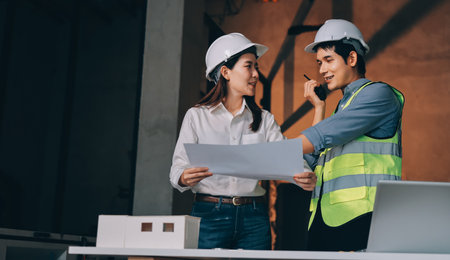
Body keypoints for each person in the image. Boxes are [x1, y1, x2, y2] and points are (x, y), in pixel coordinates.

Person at [170, 33, 317, 250]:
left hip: (254, 217)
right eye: (249, 66)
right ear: (226, 72)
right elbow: (177, 169)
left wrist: (303, 175)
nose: (256, 74)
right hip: (210, 215)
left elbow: (290, 159)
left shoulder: (264, 120)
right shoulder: (196, 116)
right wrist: (183, 177)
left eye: (256, 67)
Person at [292, 19, 405, 251]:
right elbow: (312, 158)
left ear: (352, 59)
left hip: (362, 219)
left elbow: (319, 137)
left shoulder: (378, 95)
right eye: (319, 62)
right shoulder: (342, 109)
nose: (322, 70)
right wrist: (319, 108)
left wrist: (269, 154)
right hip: (326, 219)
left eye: (329, 60)